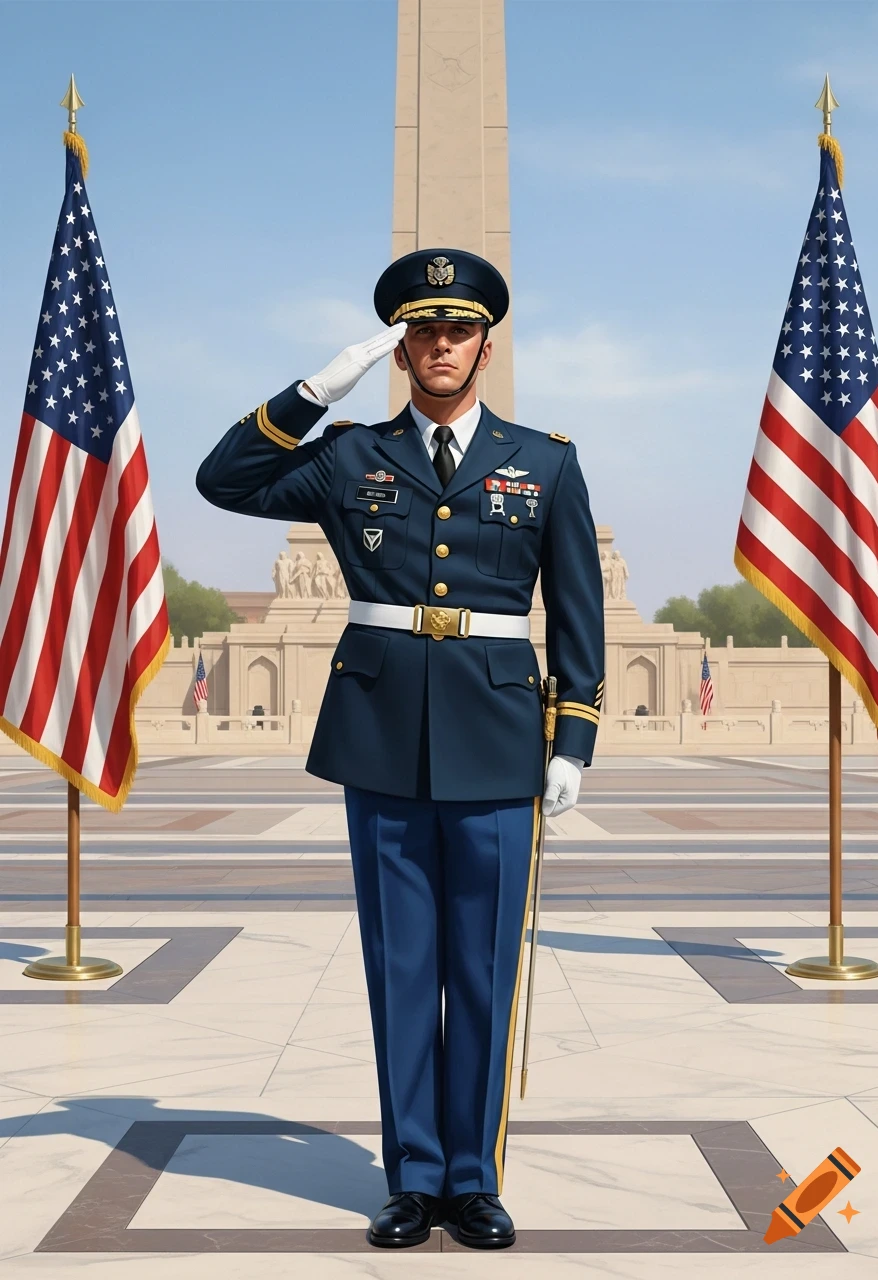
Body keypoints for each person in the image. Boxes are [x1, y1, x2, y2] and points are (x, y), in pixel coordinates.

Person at [196, 248, 605, 1250]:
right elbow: (223, 480)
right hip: (381, 736)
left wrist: (572, 740)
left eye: (458, 330)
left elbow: (576, 610)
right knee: (402, 965)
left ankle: (474, 1180)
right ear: (401, 348)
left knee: (483, 970)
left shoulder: (545, 460)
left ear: (484, 347)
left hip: (499, 736)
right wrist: (313, 391)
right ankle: (413, 1178)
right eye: (424, 331)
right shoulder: (349, 456)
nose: (441, 346)